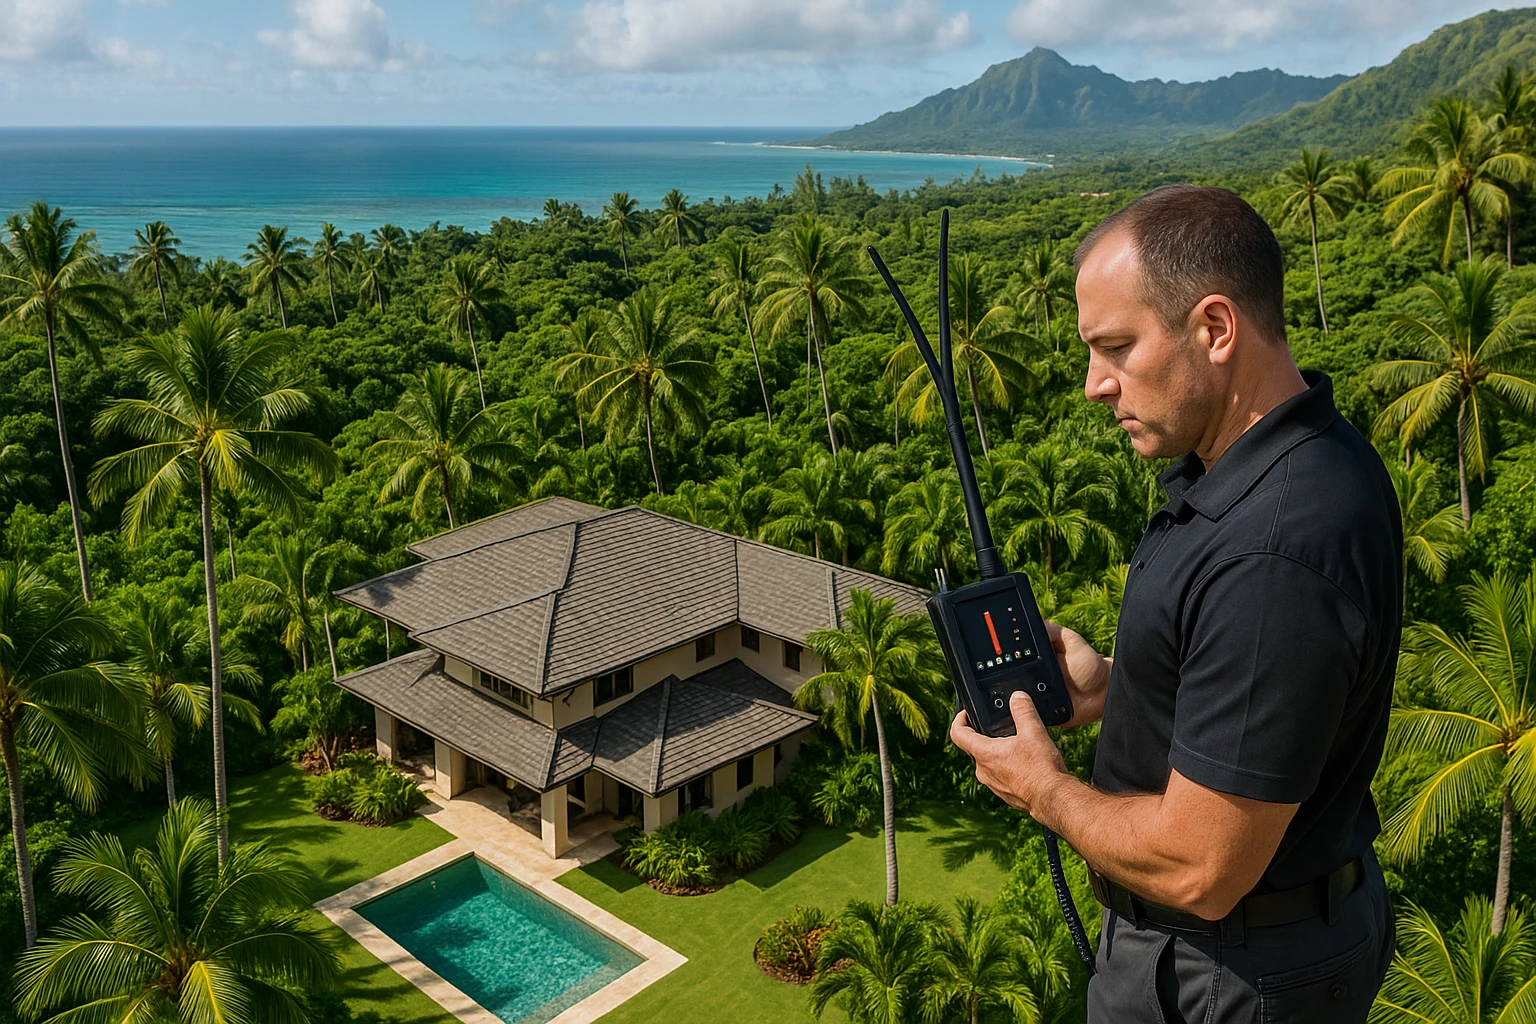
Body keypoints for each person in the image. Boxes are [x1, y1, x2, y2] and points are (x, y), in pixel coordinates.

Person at [950, 184, 1400, 1023]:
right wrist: (1122, 688)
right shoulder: (1287, 461)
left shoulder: (1276, 543)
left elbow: (1203, 865)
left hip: (1227, 972)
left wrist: (1045, 788)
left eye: (1116, 347)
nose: (1095, 385)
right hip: (1245, 951)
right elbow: (1266, 705)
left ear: (1215, 329)